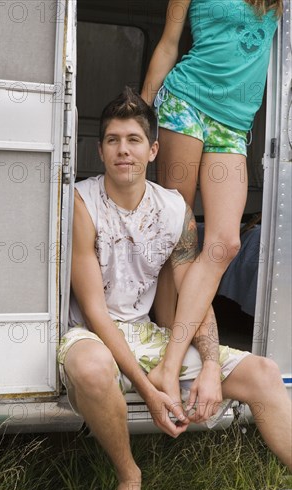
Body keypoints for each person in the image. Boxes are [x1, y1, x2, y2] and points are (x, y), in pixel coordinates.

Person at [58, 88, 292, 490]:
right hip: (91, 333)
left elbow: (194, 294)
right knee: (89, 366)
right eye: (112, 140)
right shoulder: (81, 204)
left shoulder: (174, 208)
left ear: (153, 149)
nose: (122, 150)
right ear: (100, 149)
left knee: (263, 372)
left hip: (145, 334)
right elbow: (94, 310)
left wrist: (207, 366)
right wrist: (151, 390)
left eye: (132, 139)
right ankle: (129, 477)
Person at [140, 0, 283, 393]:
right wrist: (140, 113)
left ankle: (173, 360)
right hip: (185, 103)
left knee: (225, 243)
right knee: (178, 235)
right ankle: (169, 355)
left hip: (233, 124)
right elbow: (169, 44)